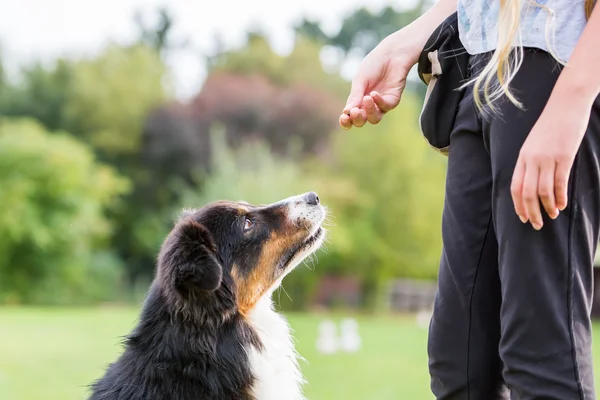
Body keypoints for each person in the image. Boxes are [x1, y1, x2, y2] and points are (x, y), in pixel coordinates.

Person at [340, 0, 600, 399]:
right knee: (458, 361)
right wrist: (408, 40)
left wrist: (573, 98)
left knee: (539, 355)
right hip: (476, 64)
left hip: (554, 65)